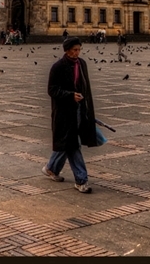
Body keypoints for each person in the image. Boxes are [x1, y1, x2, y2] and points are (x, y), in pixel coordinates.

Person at [43, 36, 100, 193]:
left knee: (67, 142)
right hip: (63, 112)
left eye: (79, 50)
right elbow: (52, 89)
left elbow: (85, 87)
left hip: (79, 109)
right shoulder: (58, 67)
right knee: (73, 144)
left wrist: (87, 107)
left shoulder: (81, 64)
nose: (77, 53)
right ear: (67, 50)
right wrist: (70, 95)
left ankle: (52, 168)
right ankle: (81, 180)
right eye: (75, 50)